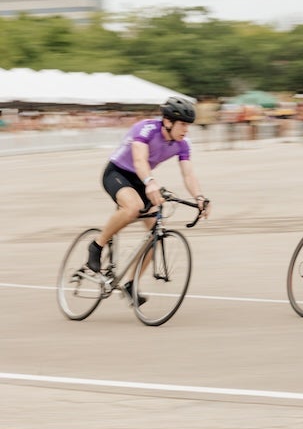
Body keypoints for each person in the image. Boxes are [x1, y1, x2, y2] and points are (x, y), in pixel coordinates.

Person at [86, 97, 210, 304]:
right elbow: (139, 160)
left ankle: (130, 283)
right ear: (168, 122)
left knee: (156, 234)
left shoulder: (182, 144)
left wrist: (199, 197)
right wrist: (150, 182)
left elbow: (188, 174)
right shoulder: (146, 129)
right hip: (118, 173)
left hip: (142, 179)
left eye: (188, 125)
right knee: (133, 207)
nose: (186, 130)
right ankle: (96, 245)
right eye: (183, 124)